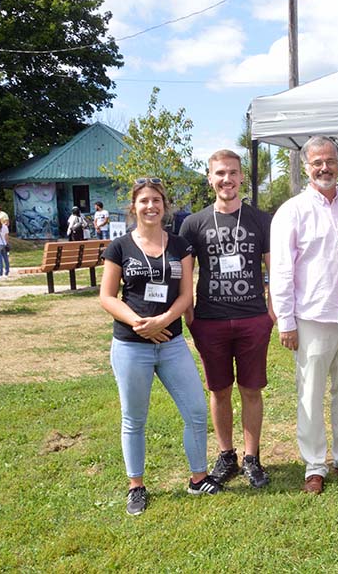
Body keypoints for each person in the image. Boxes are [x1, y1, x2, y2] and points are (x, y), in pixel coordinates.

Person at [99, 178, 220, 516]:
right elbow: (107, 297)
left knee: (196, 411)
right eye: (144, 201)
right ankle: (136, 486)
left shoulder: (180, 245)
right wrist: (141, 324)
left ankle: (198, 478)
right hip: (130, 345)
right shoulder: (119, 247)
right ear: (133, 206)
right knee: (134, 418)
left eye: (156, 200)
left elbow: (186, 295)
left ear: (165, 206)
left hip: (171, 343)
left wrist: (164, 321)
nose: (150, 206)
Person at [269, 136, 338, 494]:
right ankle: (315, 464)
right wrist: (286, 320)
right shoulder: (292, 211)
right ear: (307, 167)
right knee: (310, 393)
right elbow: (282, 269)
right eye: (317, 163)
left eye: (330, 161)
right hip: (311, 316)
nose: (325, 168)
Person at [179, 150, 275, 489]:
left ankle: (252, 458)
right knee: (219, 391)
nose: (227, 179)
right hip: (211, 319)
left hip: (251, 318)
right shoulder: (193, 224)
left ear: (241, 177)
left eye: (233, 172)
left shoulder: (260, 220)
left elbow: (272, 267)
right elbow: (185, 273)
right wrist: (190, 313)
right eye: (220, 173)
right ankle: (226, 456)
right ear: (210, 178)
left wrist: (271, 309)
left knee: (251, 390)